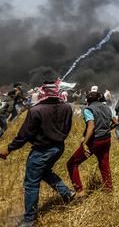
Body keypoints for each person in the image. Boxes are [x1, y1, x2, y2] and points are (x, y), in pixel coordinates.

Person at [0, 80, 75, 227]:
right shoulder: (67, 108)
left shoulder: (36, 110)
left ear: (42, 92)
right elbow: (67, 128)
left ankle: (28, 220)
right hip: (59, 148)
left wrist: (9, 148)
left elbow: (24, 134)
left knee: (31, 184)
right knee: (45, 172)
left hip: (42, 150)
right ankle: (67, 193)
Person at [67, 89, 118, 194]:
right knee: (104, 164)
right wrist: (108, 129)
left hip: (95, 141)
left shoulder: (88, 109)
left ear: (88, 100)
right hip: (106, 139)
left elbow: (91, 126)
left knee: (72, 163)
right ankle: (108, 189)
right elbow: (116, 122)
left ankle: (79, 190)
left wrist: (85, 142)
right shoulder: (107, 108)